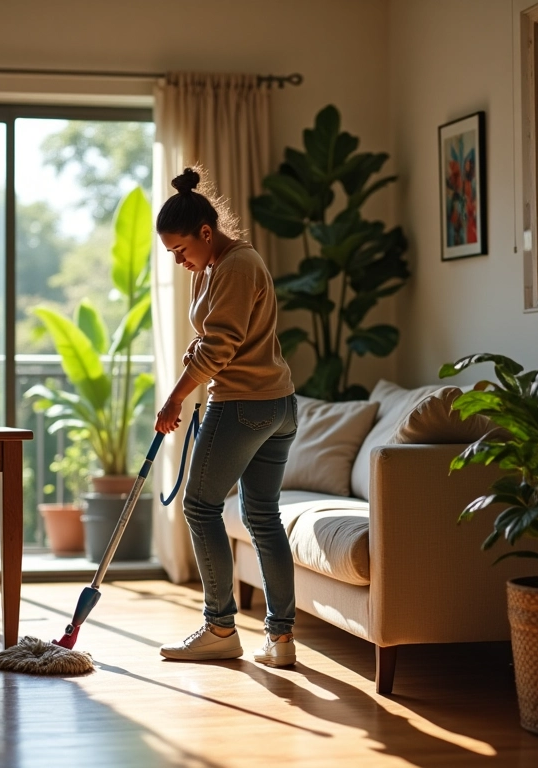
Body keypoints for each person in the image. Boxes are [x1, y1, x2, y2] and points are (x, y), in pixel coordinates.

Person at [155, 167, 298, 667]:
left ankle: (220, 628)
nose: (178, 261)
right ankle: (280, 641)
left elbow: (220, 345)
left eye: (180, 250)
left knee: (199, 506)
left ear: (205, 232)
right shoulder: (215, 266)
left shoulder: (235, 266)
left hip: (244, 405)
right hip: (275, 404)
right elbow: (220, 333)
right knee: (262, 516)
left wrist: (175, 398)